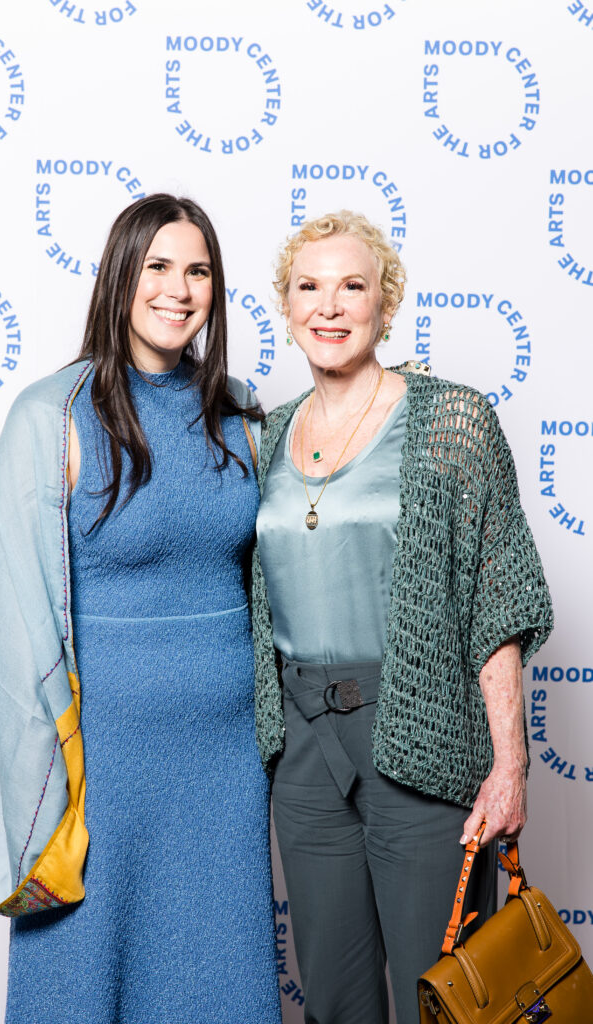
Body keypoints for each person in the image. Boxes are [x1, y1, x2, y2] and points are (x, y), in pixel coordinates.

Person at [0, 194, 281, 1024]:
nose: (178, 288)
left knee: (220, 984)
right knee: (80, 985)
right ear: (119, 277)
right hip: (96, 769)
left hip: (224, 766)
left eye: (197, 270)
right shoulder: (49, 414)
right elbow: (18, 623)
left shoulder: (240, 412)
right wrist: (46, 778)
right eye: (158, 266)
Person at [250, 210, 553, 1024]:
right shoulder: (263, 437)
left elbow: (498, 599)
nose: (330, 305)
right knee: (335, 998)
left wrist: (509, 764)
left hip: (417, 727)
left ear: (386, 305)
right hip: (302, 751)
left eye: (353, 286)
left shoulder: (452, 420)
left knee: (445, 992)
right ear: (286, 308)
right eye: (308, 287)